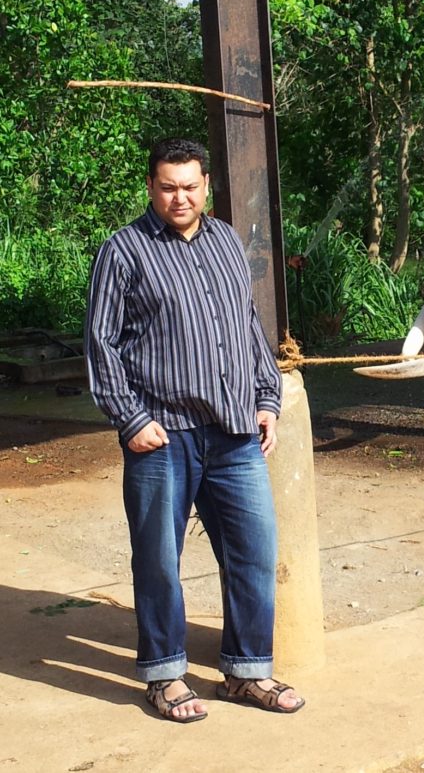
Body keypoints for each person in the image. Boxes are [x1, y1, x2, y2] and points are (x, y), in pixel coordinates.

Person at [85, 138, 304, 722]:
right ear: (151, 187)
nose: (179, 197)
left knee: (254, 551)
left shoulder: (227, 240)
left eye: (189, 185)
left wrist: (266, 397)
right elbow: (101, 343)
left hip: (234, 431)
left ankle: (246, 673)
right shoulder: (124, 251)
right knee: (158, 558)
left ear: (207, 185)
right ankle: (164, 676)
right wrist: (131, 420)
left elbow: (247, 326)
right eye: (167, 186)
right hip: (163, 435)